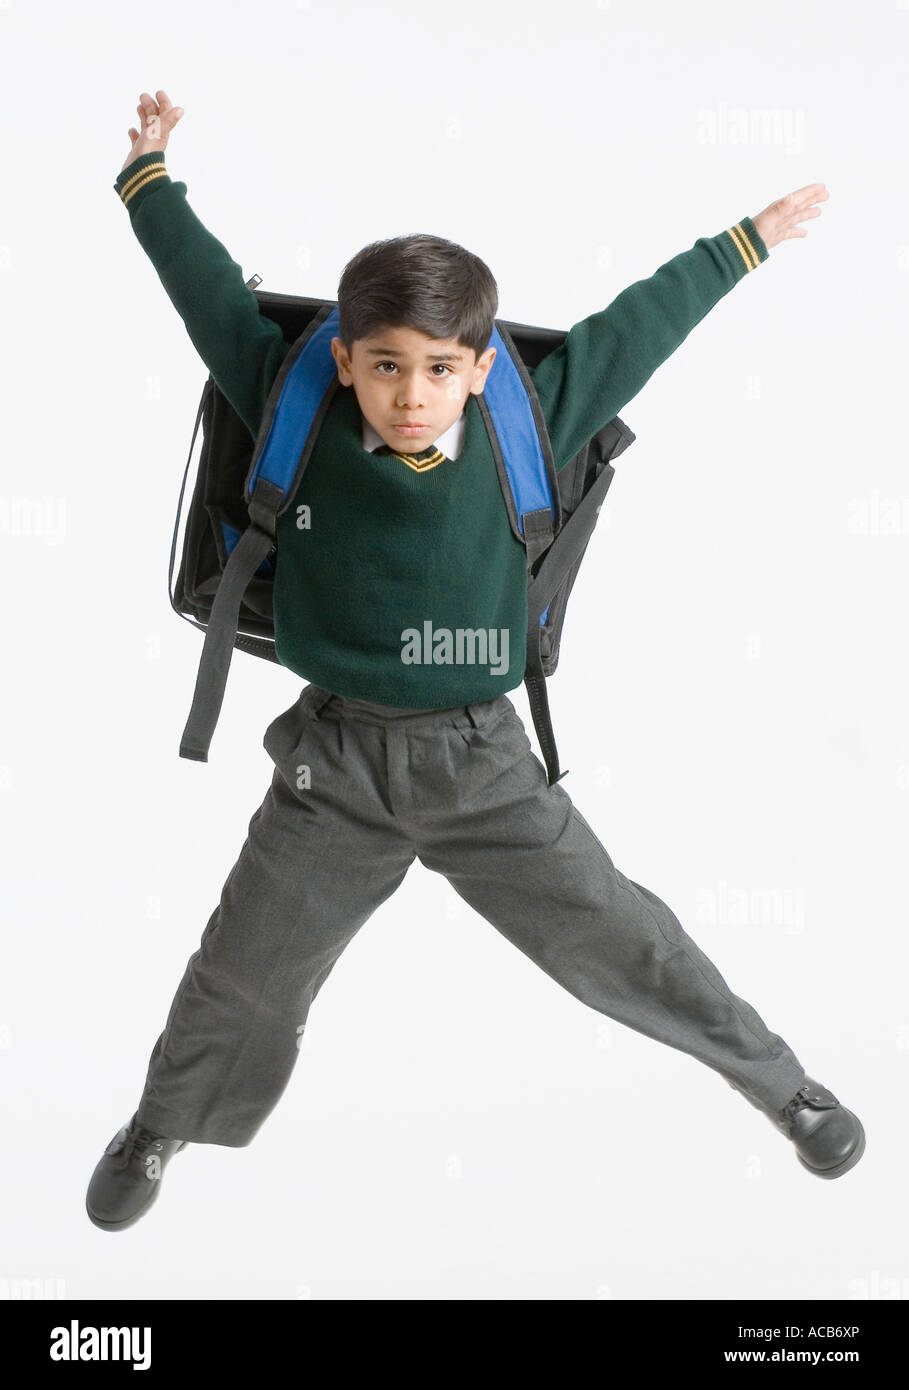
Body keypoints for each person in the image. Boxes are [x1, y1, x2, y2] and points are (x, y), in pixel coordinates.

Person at [86, 90, 864, 1232]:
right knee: (242, 972)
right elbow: (201, 286)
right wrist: (149, 169)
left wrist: (744, 240)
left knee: (626, 938)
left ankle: (781, 1086)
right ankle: (164, 1121)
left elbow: (643, 322)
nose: (413, 394)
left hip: (481, 764)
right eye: (387, 366)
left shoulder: (532, 415)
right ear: (344, 359)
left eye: (441, 368)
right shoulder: (288, 395)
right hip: (333, 765)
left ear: (484, 365)